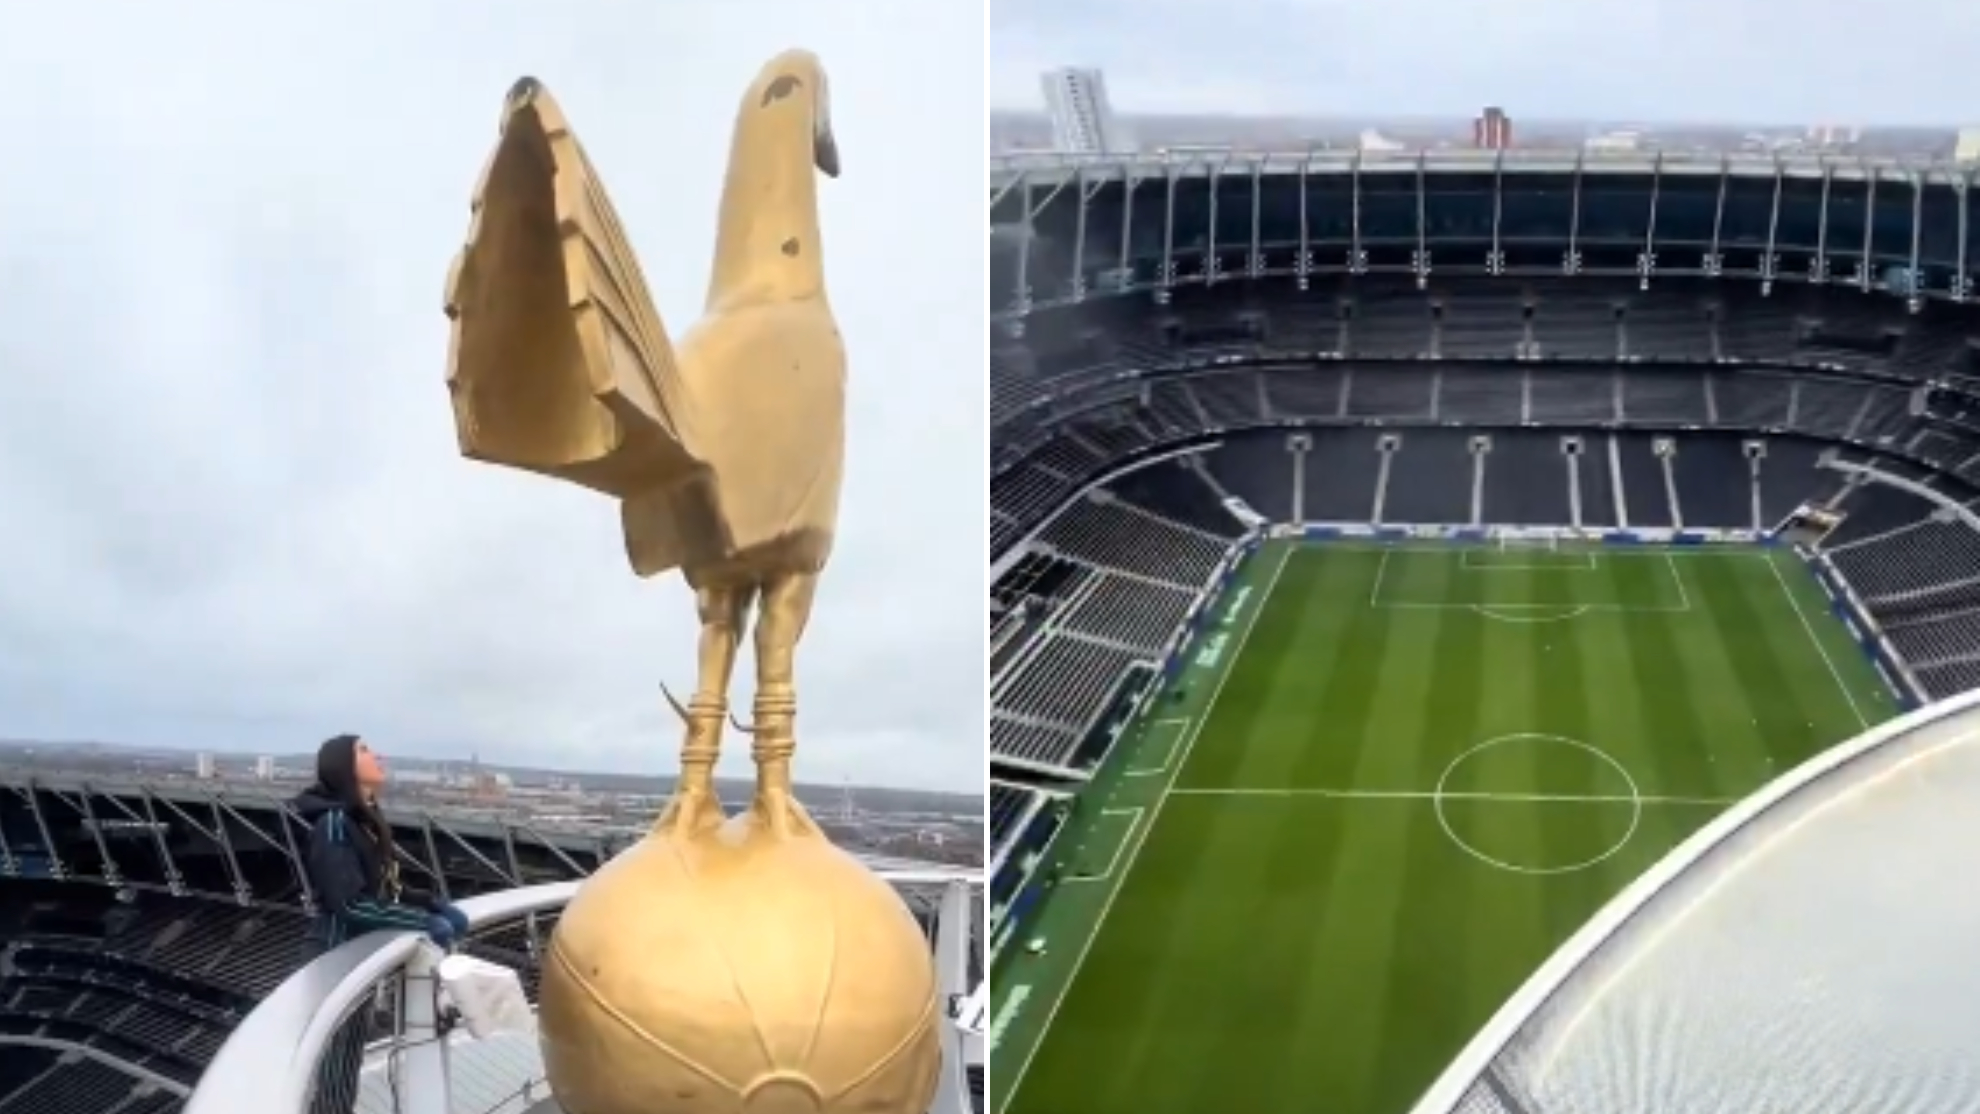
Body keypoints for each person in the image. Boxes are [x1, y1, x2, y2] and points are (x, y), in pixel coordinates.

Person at [294, 733, 468, 1112]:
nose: (377, 755)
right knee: (336, 1071)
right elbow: (352, 905)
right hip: (335, 960)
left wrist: (431, 903)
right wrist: (421, 920)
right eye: (364, 750)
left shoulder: (362, 820)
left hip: (350, 959)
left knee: (344, 1066)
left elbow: (384, 891)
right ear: (344, 766)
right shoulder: (334, 824)